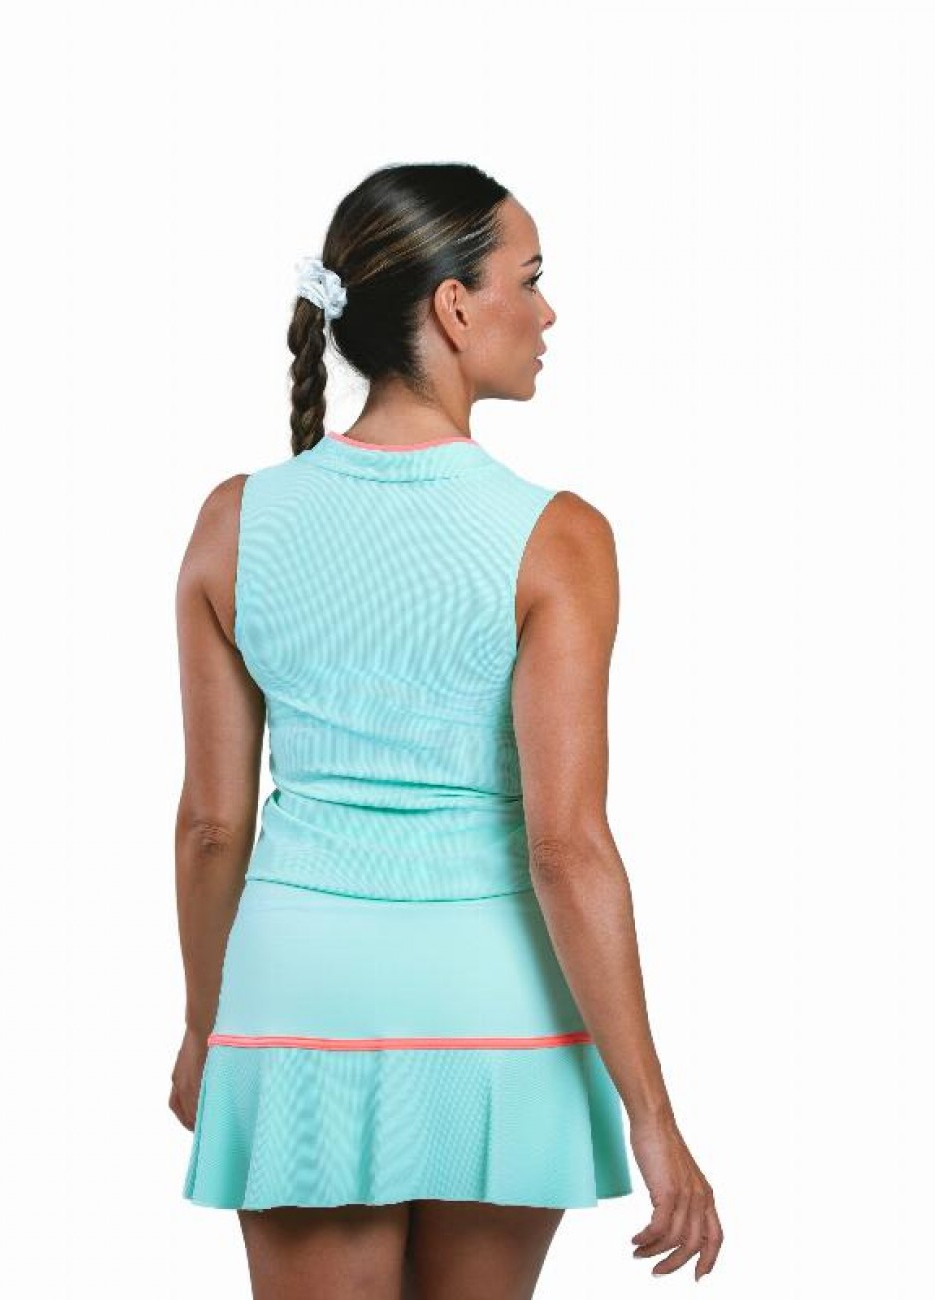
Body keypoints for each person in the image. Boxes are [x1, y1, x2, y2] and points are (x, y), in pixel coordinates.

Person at [169, 162, 724, 1298]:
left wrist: (202, 1026)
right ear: (455, 307)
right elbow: (567, 847)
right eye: (531, 278)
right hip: (494, 1010)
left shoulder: (234, 521)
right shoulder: (557, 538)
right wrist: (653, 1117)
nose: (548, 311)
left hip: (297, 1005)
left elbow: (212, 829)